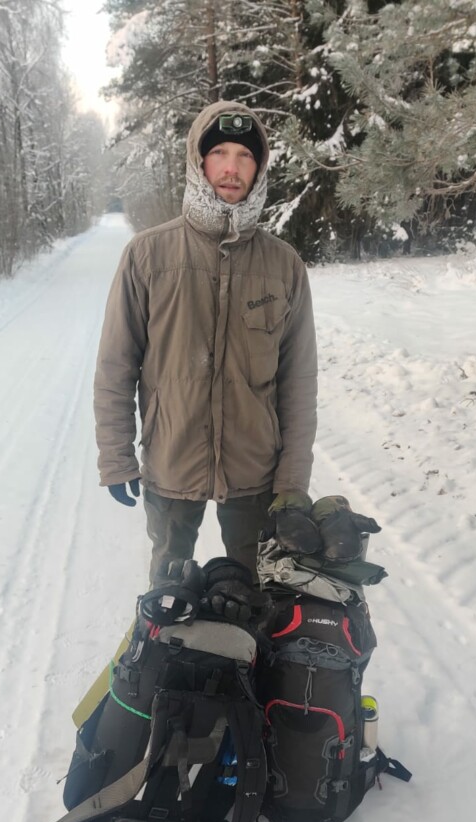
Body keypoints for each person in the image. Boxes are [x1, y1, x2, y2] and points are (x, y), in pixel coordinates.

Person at [94, 100, 318, 586]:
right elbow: (116, 366)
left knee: (257, 593)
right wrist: (115, 457)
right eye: (219, 152)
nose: (231, 167)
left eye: (245, 155)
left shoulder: (284, 266)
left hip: (256, 469)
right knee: (169, 594)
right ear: (199, 161)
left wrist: (293, 479)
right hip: (172, 458)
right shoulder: (148, 255)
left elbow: (298, 382)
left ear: (259, 168)